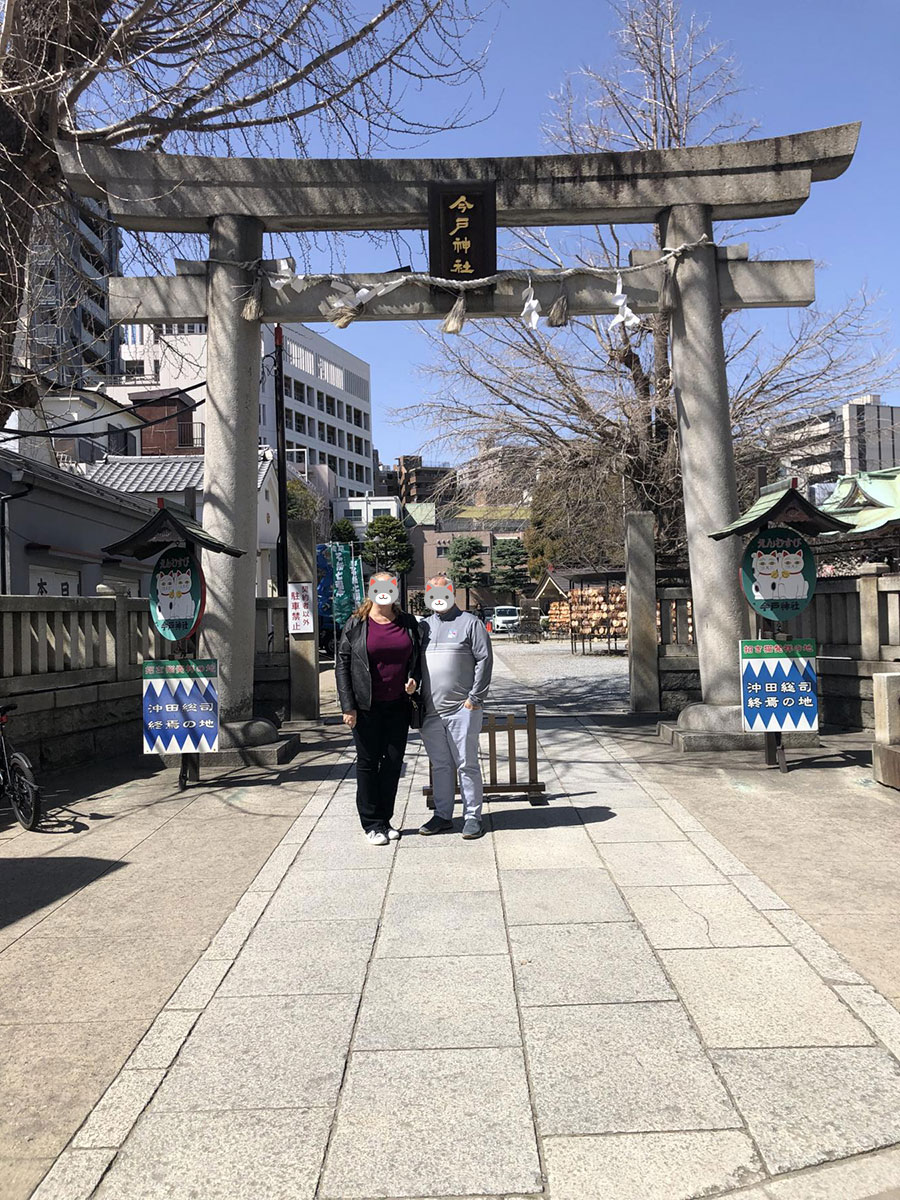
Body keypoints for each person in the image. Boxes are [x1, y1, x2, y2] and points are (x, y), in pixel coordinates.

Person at [336, 571, 421, 846]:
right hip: (365, 706)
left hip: (398, 704)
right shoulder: (356, 623)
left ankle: (386, 819)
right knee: (369, 762)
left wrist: (414, 680)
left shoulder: (407, 622)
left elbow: (416, 660)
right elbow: (342, 666)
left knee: (394, 762)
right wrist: (348, 706)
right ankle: (371, 823)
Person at [418, 575, 493, 839]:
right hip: (430, 710)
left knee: (466, 764)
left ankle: (473, 816)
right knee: (440, 764)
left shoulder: (470, 623)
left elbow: (484, 660)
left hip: (463, 708)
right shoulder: (423, 627)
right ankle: (442, 815)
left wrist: (475, 698)